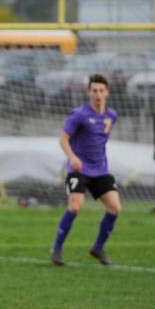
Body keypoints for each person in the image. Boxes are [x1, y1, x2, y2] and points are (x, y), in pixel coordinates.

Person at [51, 73, 121, 267]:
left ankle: (98, 247)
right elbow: (63, 139)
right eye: (94, 90)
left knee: (115, 208)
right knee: (75, 207)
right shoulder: (79, 115)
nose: (97, 94)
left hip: (100, 170)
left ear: (106, 92)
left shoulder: (111, 116)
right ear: (88, 92)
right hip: (78, 169)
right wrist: (72, 157)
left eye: (101, 90)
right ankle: (56, 249)